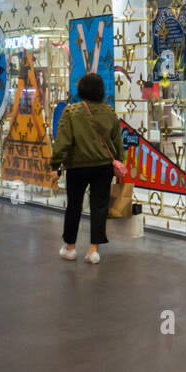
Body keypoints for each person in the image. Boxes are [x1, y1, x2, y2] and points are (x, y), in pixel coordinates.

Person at [49, 72, 124, 264]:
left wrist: (55, 166)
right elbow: (117, 143)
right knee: (99, 207)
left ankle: (70, 248)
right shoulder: (110, 112)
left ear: (81, 88)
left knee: (74, 206)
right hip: (103, 167)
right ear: (101, 91)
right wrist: (118, 163)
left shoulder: (71, 112)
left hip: (77, 167)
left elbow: (62, 142)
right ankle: (93, 251)